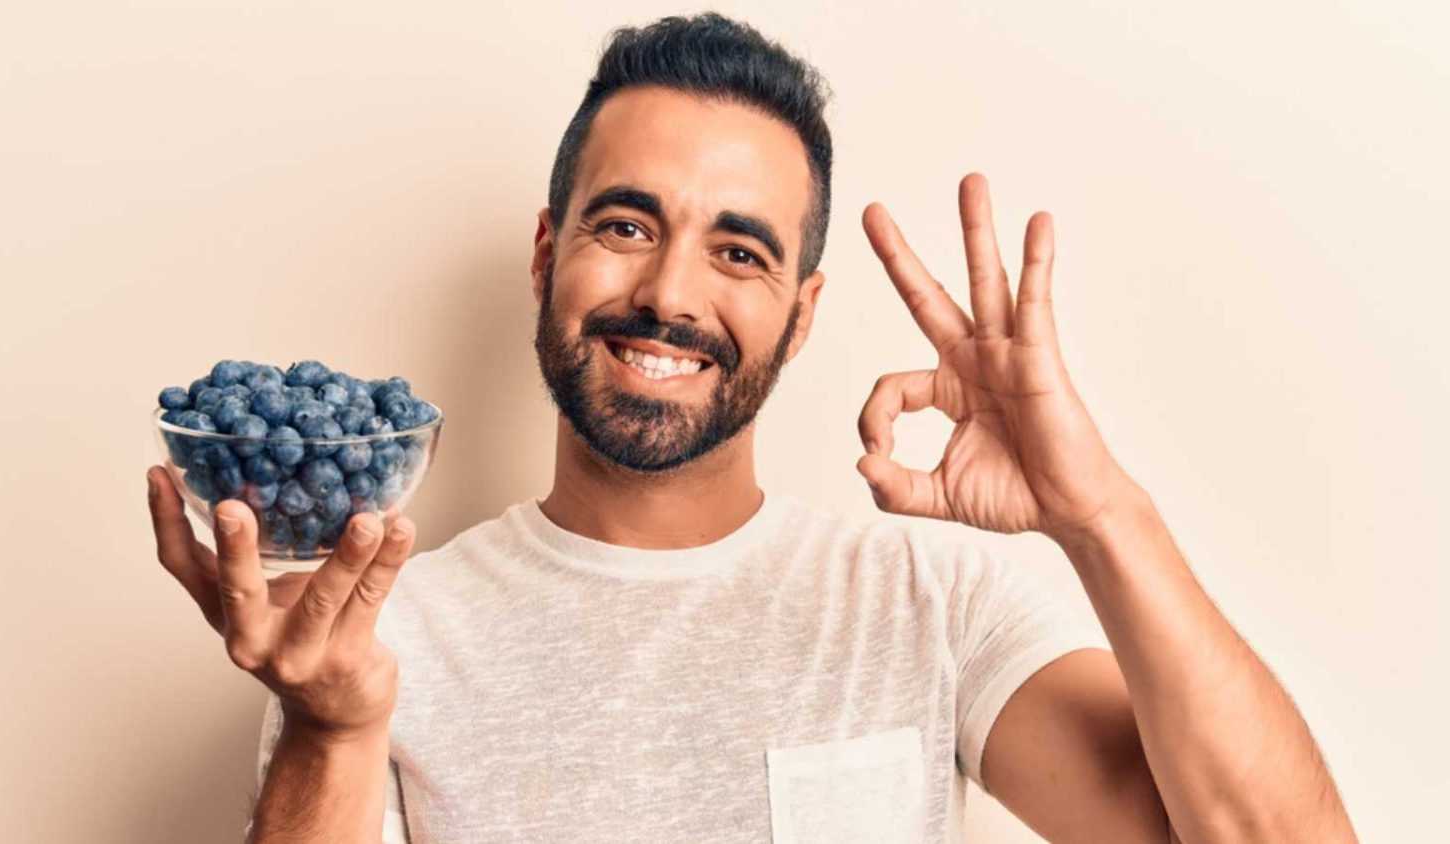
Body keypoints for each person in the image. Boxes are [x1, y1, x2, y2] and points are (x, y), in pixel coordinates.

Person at [145, 12, 1355, 843]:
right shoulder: (379, 637)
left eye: (739, 250)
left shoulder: (932, 609)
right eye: (624, 225)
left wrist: (1099, 513)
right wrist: (331, 720)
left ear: (802, 311)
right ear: (545, 253)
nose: (672, 292)